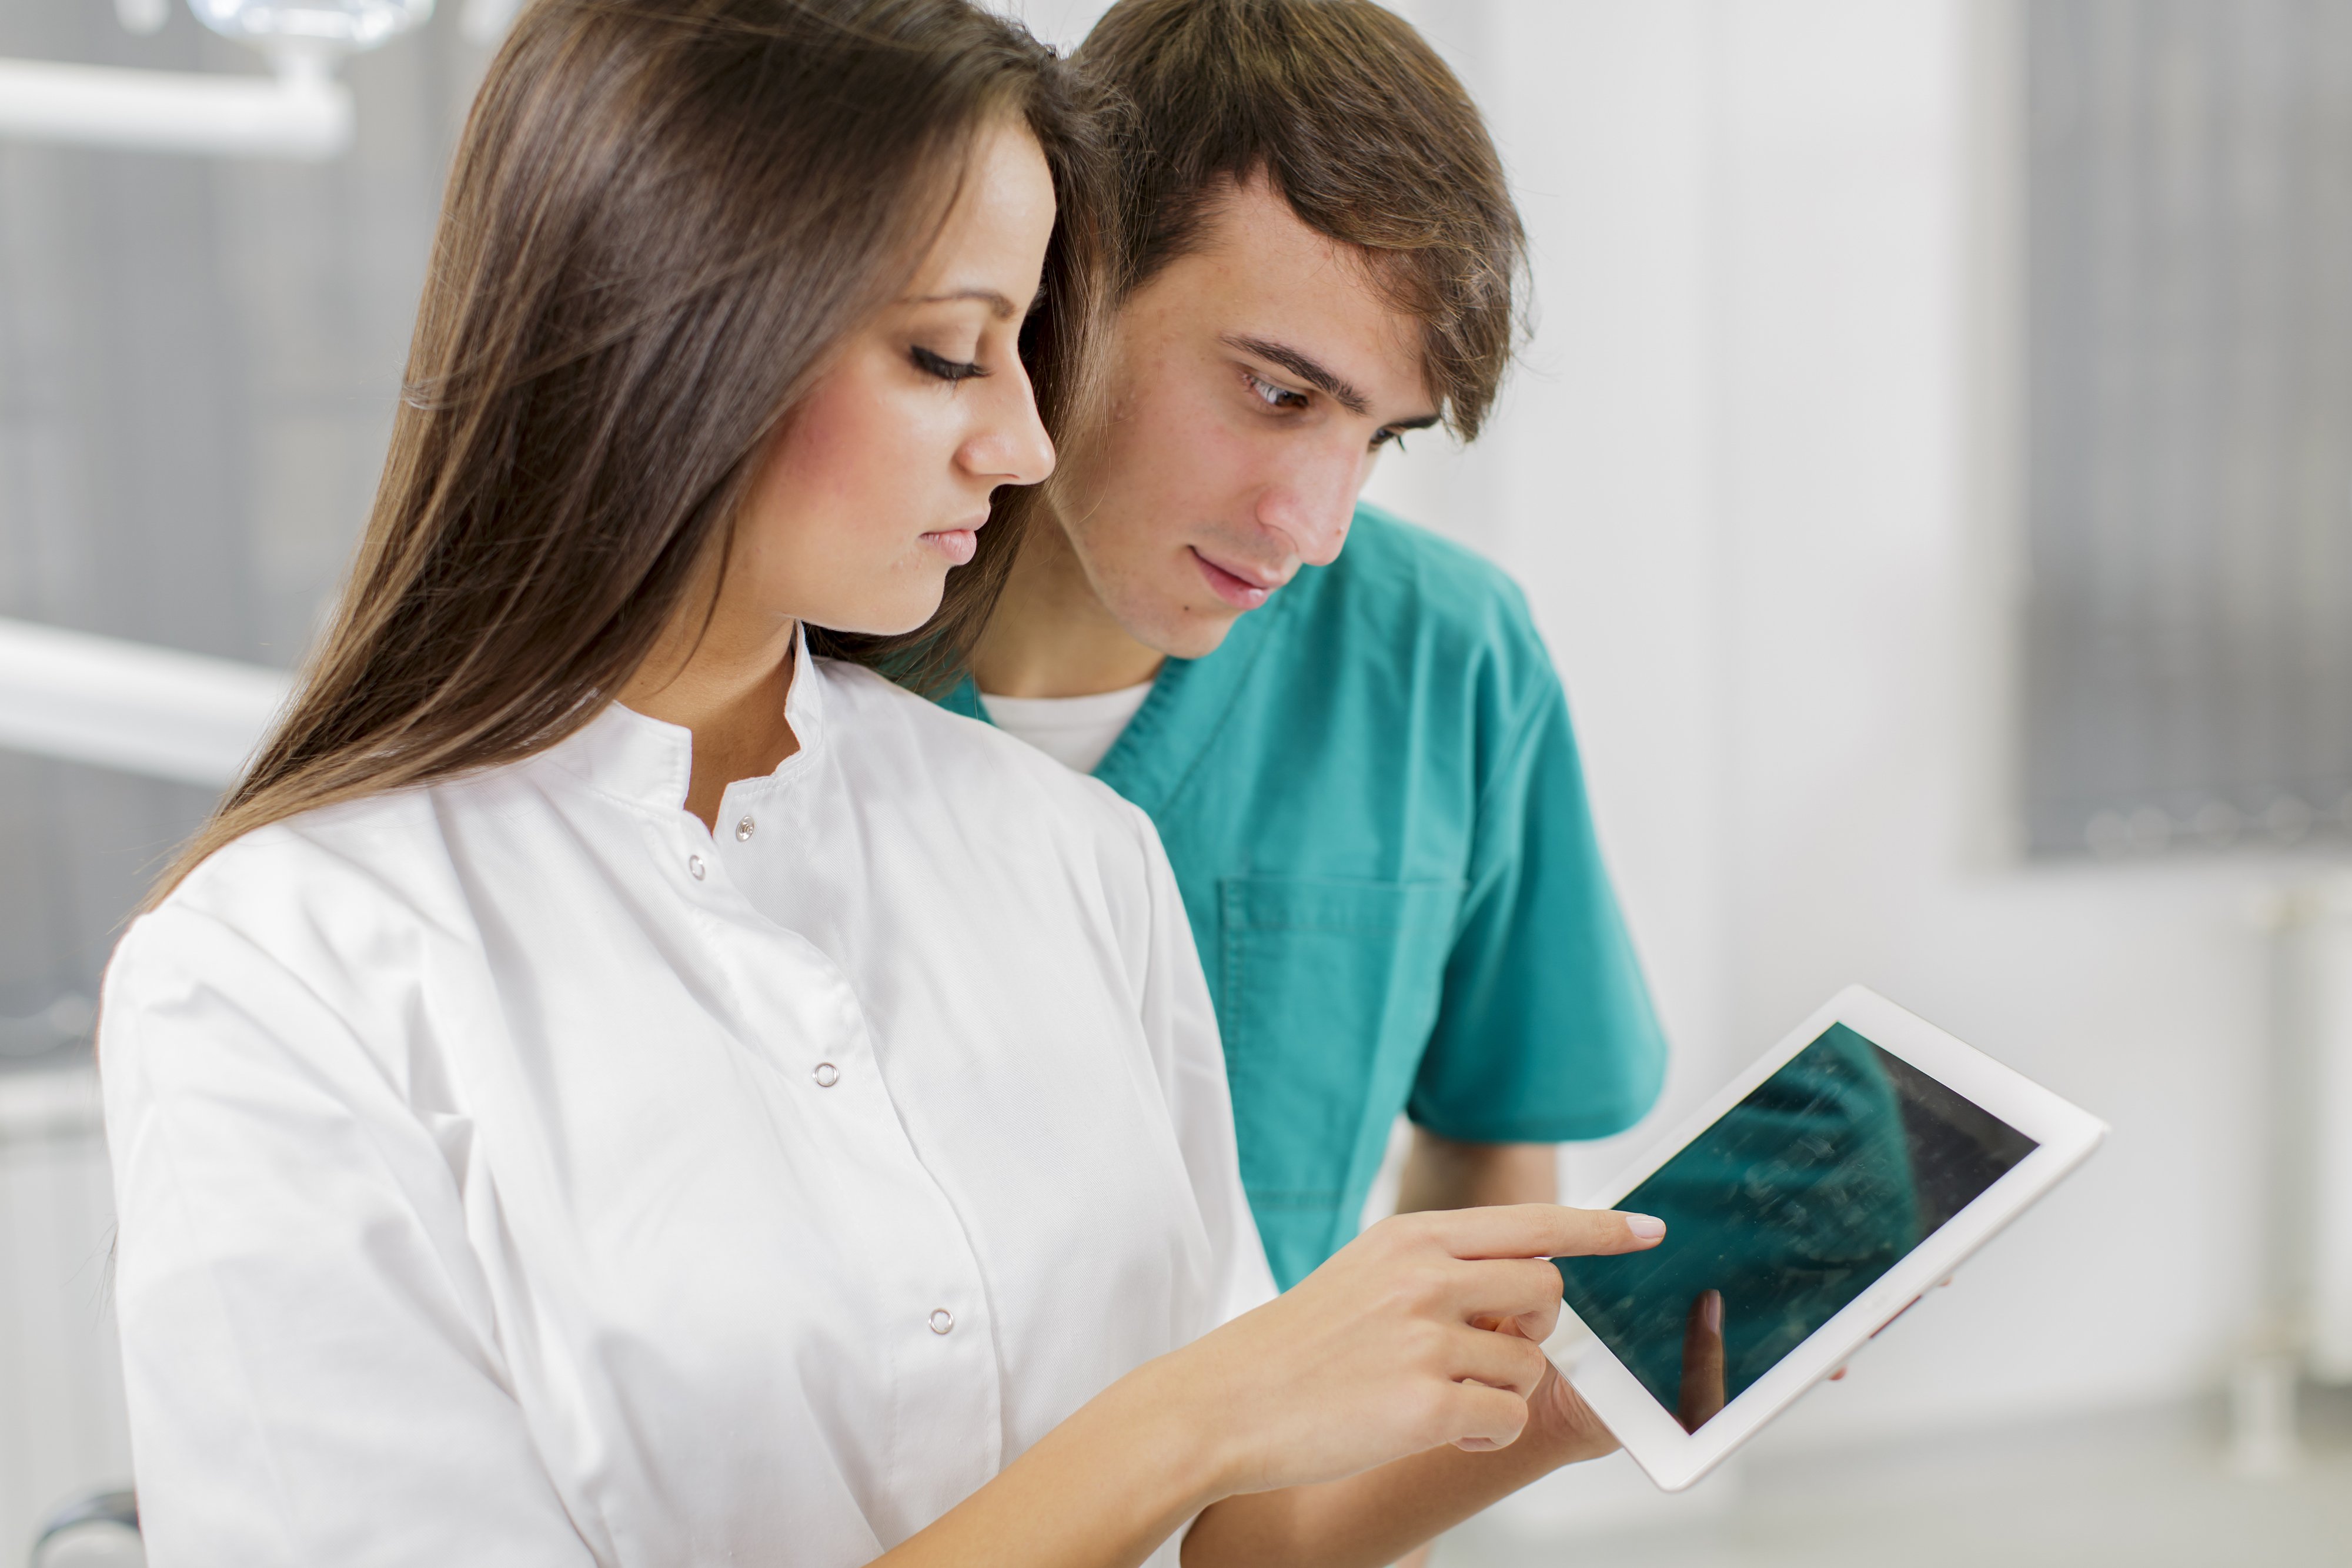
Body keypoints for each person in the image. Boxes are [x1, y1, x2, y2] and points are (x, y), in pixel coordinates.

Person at [96, 3, 1673, 1565]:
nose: (1024, 439)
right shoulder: (277, 974)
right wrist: (1180, 1420)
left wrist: (1598, 1386)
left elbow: (1238, 1529)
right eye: (946, 353)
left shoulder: (1073, 858)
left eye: (1019, 348)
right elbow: (1208, 1434)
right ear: (684, 322)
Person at [955, 0, 1670, 1293]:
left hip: (1270, 1498)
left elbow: (1488, 1176)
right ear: (1070, 270)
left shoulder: (1442, 655)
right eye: (1276, 394)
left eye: (1379, 436)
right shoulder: (791, 643)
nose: (1319, 528)